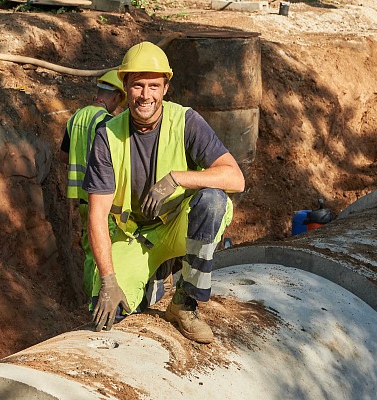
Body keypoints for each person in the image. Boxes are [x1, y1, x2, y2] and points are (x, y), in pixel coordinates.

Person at [83, 41, 245, 344]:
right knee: (108, 312)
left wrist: (177, 179)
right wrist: (107, 279)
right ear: (126, 86)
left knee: (213, 200)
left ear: (166, 87)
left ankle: (184, 304)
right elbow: (97, 214)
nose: (146, 95)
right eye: (138, 86)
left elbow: (235, 179)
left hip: (177, 228)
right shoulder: (107, 136)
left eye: (154, 86)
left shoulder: (186, 122)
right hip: (134, 238)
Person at [59, 70, 126, 311]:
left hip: (81, 196)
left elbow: (63, 155)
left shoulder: (76, 117)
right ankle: (96, 303)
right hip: (102, 197)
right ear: (116, 97)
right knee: (104, 252)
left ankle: (90, 300)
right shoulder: (107, 122)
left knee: (90, 251)